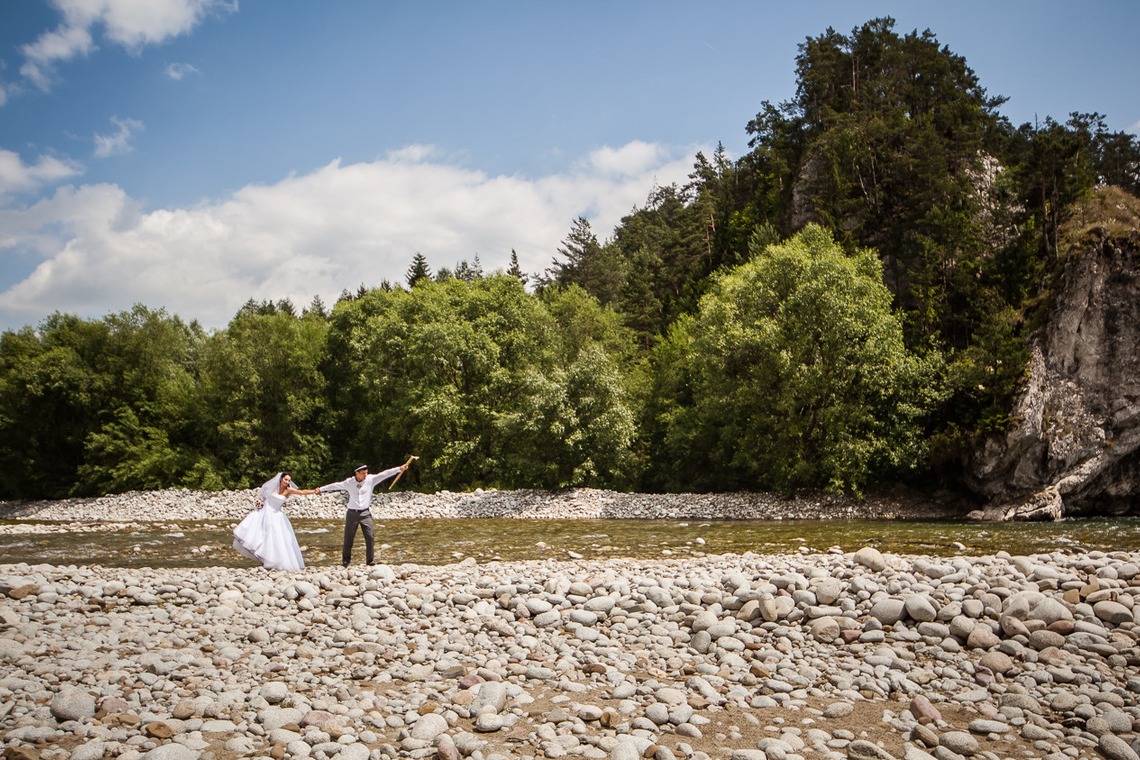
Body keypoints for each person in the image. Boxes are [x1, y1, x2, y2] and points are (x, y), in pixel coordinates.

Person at [318, 462, 408, 566]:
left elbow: (384, 474)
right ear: (357, 473)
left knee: (370, 537)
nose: (365, 475)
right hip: (352, 513)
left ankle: (370, 561)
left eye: (366, 473)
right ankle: (345, 561)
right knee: (348, 538)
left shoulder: (370, 479)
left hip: (365, 513)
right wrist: (321, 489)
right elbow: (335, 485)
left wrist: (399, 469)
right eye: (363, 473)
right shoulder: (349, 482)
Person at [232, 472, 318, 571]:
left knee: (276, 538)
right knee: (262, 536)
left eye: (289, 480)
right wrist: (260, 502)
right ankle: (265, 559)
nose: (287, 482)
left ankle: (276, 562)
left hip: (277, 515)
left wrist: (314, 491)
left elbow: (302, 492)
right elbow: (263, 495)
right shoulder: (272, 487)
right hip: (265, 513)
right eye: (286, 479)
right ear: (281, 479)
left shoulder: (288, 490)